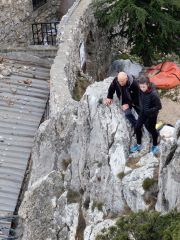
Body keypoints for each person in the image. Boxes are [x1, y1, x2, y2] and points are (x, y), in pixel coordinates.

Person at [130, 75, 162, 155]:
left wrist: (149, 110)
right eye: (141, 87)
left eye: (144, 87)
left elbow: (159, 106)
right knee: (137, 127)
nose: (142, 89)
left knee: (152, 130)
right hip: (143, 113)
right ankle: (138, 144)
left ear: (148, 84)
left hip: (152, 115)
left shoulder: (154, 94)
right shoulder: (141, 90)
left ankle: (155, 146)